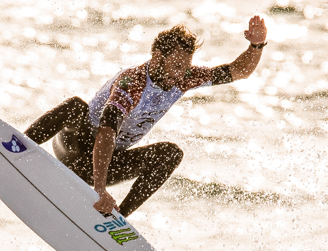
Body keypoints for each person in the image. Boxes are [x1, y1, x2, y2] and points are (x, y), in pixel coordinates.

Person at [23, 16, 268, 216]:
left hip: (101, 164)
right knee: (75, 106)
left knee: (170, 153)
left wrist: (256, 46)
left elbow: (238, 71)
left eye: (186, 66)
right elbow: (107, 132)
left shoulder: (184, 78)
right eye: (176, 65)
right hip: (74, 148)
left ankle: (117, 217)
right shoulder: (132, 82)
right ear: (158, 57)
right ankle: (18, 146)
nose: (181, 73)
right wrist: (99, 188)